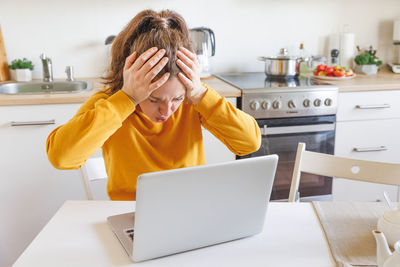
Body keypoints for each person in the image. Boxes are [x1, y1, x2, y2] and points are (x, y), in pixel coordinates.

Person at [46, 9, 261, 200]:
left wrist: (199, 93)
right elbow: (61, 158)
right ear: (131, 80)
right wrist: (126, 100)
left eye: (176, 99)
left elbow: (249, 143)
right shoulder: (110, 103)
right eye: (154, 99)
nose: (167, 111)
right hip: (131, 213)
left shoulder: (194, 99)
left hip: (191, 209)